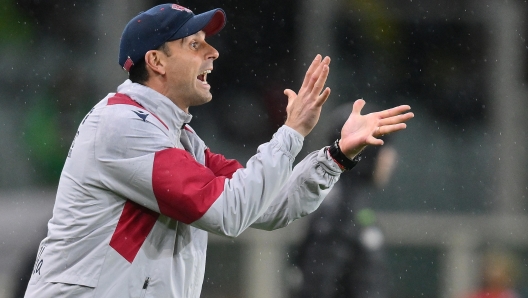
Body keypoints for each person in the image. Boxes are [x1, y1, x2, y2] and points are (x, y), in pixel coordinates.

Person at [23, 3, 414, 298]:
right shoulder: (122, 126)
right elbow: (227, 212)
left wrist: (335, 157)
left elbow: (267, 203)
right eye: (194, 44)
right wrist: (291, 132)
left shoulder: (180, 138)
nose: (213, 53)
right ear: (156, 61)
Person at [295, 103, 398, 298]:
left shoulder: (352, 204)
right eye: (384, 147)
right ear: (366, 150)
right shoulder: (338, 209)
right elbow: (317, 288)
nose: (391, 158)